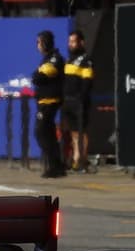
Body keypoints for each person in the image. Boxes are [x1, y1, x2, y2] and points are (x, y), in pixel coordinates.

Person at [33, 30, 66, 178]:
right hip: (44, 101)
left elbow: (40, 76)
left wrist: (37, 74)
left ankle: (54, 166)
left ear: (45, 43)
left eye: (39, 42)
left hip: (50, 101)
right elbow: (38, 76)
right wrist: (37, 75)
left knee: (41, 133)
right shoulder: (46, 59)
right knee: (49, 134)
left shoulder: (55, 58)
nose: (37, 45)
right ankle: (57, 166)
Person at [63, 30, 95, 172]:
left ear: (81, 42)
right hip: (67, 101)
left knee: (81, 132)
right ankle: (76, 159)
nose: (70, 44)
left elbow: (87, 82)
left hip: (79, 102)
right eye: (69, 41)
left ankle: (81, 161)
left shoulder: (86, 60)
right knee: (73, 132)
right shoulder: (69, 59)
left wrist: (80, 99)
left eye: (73, 41)